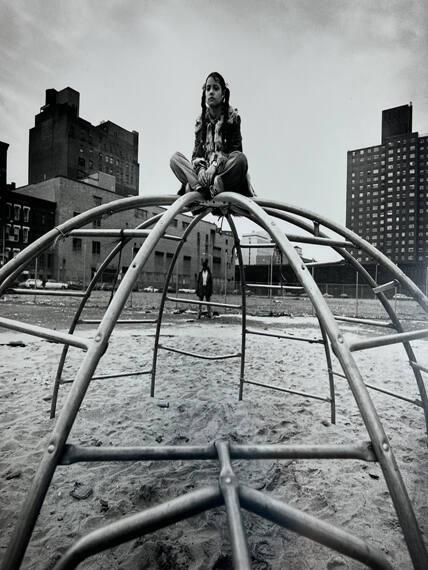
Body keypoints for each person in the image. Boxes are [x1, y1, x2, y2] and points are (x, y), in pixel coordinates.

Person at [170, 72, 255, 199]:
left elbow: (235, 150)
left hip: (222, 172)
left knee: (240, 159)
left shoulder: (233, 118)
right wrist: (201, 170)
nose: (211, 92)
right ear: (204, 94)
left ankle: (217, 186)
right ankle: (200, 188)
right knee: (175, 159)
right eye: (208, 88)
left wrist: (214, 166)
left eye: (216, 88)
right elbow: (196, 155)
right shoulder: (201, 122)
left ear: (223, 94)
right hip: (203, 176)